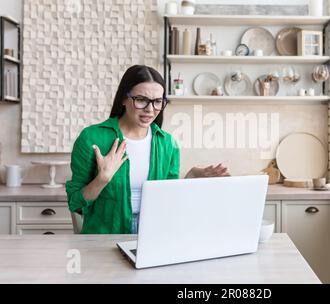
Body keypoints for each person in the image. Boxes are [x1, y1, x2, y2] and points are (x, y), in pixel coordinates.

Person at [66, 65, 229, 234]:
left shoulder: (167, 143)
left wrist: (191, 176)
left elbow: (170, 200)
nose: (150, 110)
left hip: (154, 233)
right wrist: (102, 179)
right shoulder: (92, 138)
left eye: (158, 102)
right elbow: (75, 203)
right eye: (141, 100)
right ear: (123, 98)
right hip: (105, 237)